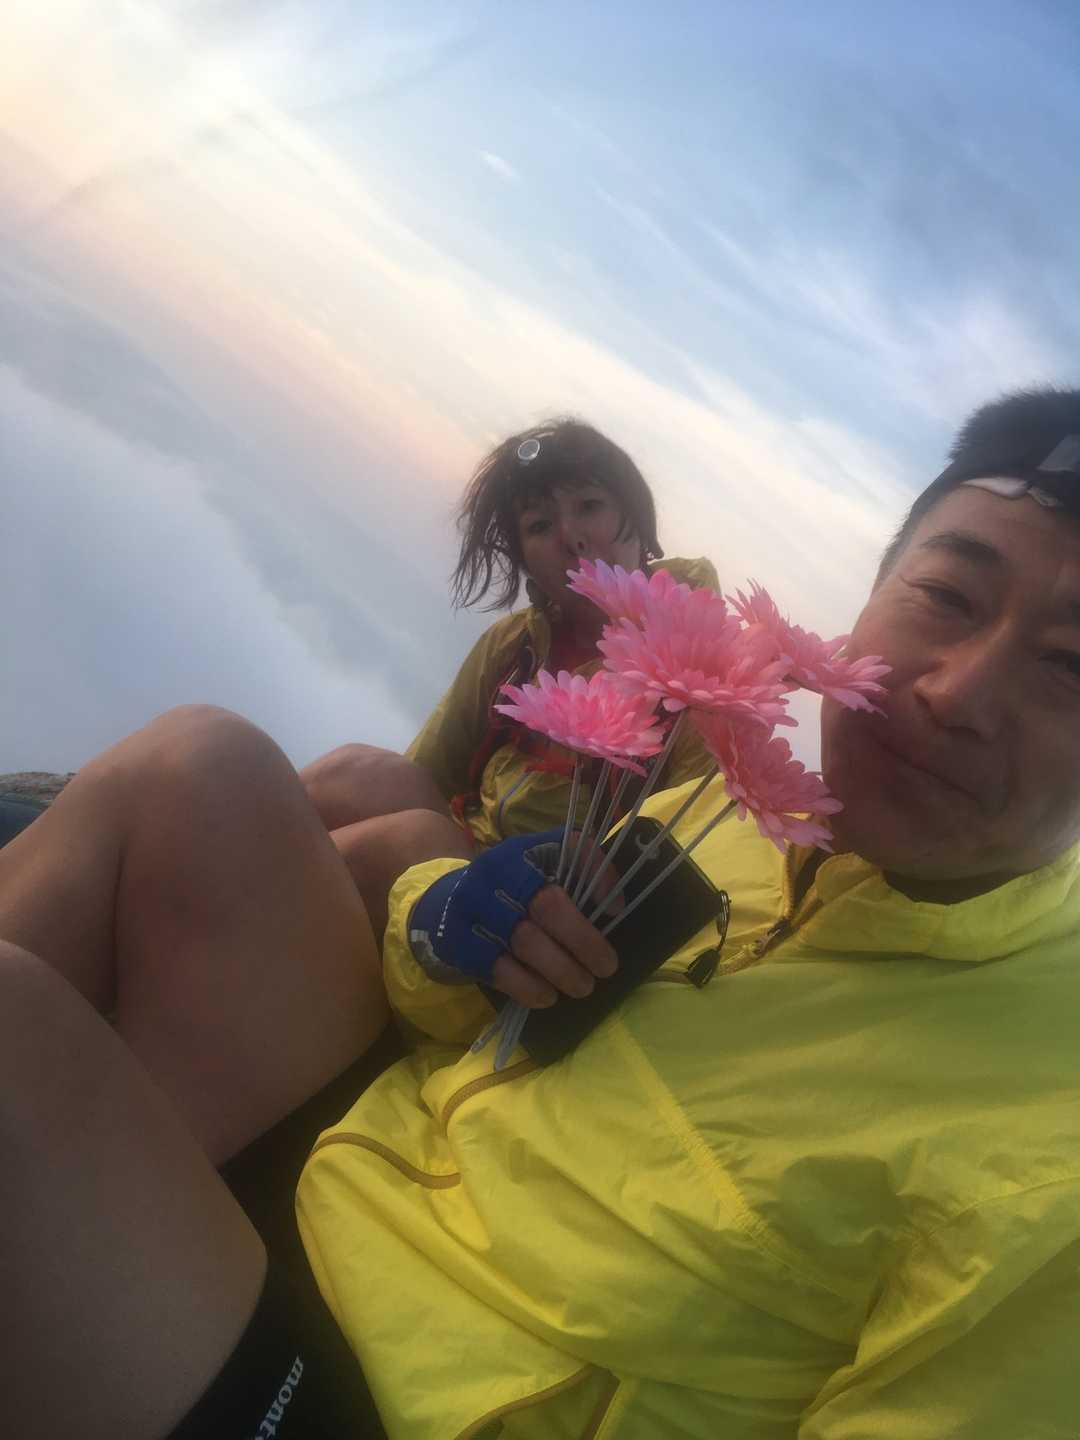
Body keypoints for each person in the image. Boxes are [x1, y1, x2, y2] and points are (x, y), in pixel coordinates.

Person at [4, 386, 1080, 1438]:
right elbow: (487, 1018)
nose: (956, 695)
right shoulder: (742, 824)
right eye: (949, 596)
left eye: (1071, 663)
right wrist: (448, 927)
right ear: (872, 596)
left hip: (377, 1396)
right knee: (203, 764)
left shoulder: (1048, 1156)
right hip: (358, 1178)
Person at [299, 421, 719, 930]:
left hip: (563, 917)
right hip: (463, 855)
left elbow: (680, 855)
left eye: (590, 505)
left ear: (637, 518)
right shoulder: (516, 645)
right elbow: (431, 769)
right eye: (539, 526)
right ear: (525, 561)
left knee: (399, 845)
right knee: (354, 773)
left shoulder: (706, 676)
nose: (571, 538)